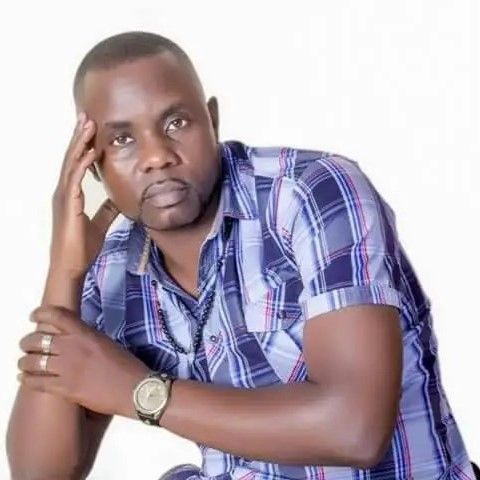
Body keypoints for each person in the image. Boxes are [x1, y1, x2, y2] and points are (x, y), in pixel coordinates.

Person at [6, 31, 477, 480]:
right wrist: (64, 272)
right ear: (93, 165)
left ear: (212, 121)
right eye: (122, 140)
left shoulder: (309, 194)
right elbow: (40, 473)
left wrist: (140, 392)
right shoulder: (111, 267)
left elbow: (355, 429)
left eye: (175, 123)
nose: (157, 156)